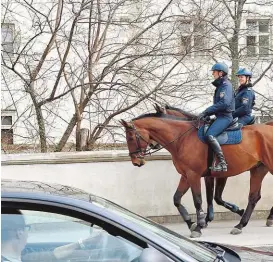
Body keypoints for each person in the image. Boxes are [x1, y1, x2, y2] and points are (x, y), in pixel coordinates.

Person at [1, 209, 104, 262]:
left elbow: (53, 254)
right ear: (19, 233)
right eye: (27, 228)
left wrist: (82, 243)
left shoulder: (22, 256)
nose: (28, 234)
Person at [198, 62, 235, 172]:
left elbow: (224, 103)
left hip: (226, 117)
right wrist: (208, 114)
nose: (213, 74)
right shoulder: (221, 86)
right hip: (220, 116)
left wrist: (206, 111)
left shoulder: (226, 86)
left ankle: (223, 163)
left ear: (221, 73)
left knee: (210, 135)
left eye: (214, 72)